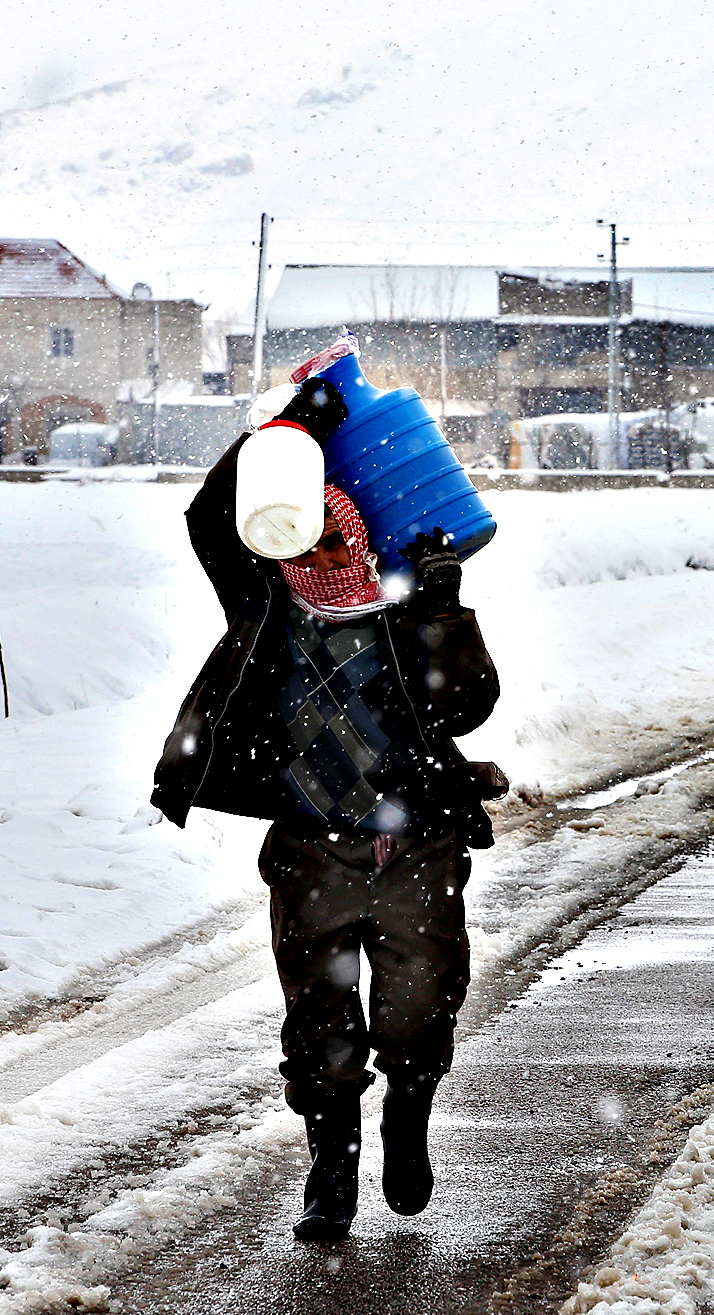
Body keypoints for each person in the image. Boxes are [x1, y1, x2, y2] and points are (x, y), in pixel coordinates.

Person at [151, 375, 501, 1241]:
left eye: (340, 537)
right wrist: (285, 430)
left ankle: (407, 1116)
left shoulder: (406, 600)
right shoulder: (264, 598)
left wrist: (444, 607)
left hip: (418, 844)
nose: (324, 553)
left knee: (419, 1009)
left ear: (363, 535)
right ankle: (332, 1164)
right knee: (319, 1023)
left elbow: (467, 706)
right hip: (313, 847)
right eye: (308, 537)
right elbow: (211, 518)